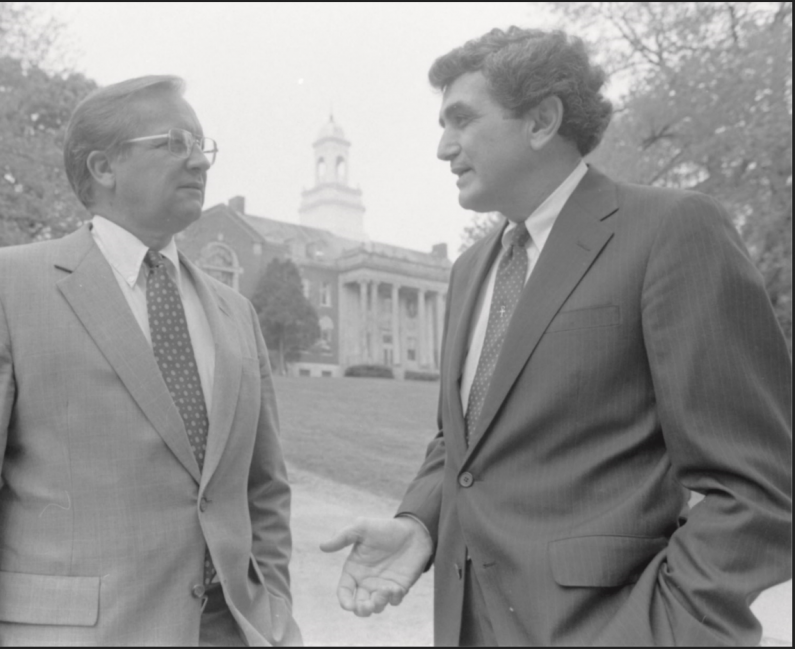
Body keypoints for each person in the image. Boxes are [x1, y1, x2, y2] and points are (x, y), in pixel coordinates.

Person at [322, 27, 792, 646]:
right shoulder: (469, 271)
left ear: (542, 120)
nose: (443, 147)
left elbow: (759, 490)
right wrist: (420, 524)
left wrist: (657, 632)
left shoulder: (671, 230)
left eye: (461, 120)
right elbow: (462, 445)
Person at [0, 75, 302, 646]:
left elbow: (265, 491)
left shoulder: (237, 313)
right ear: (103, 168)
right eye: (174, 143)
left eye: (202, 146)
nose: (199, 162)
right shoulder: (0, 286)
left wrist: (274, 609)